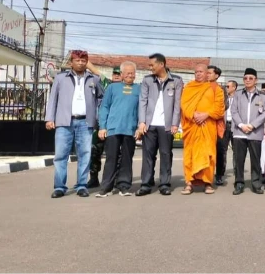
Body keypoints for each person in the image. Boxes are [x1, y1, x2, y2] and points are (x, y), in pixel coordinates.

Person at [45, 50, 104, 198]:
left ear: (87, 63)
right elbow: (53, 99)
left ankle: (82, 185)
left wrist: (97, 117)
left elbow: (101, 99)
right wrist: (49, 118)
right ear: (71, 62)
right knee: (60, 155)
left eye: (83, 61)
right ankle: (59, 187)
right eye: (77, 60)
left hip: (86, 122)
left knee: (85, 155)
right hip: (64, 122)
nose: (80, 63)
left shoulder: (94, 79)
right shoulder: (60, 78)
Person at [136, 53, 183, 196]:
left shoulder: (176, 80)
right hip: (150, 125)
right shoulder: (147, 80)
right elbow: (142, 101)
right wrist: (142, 122)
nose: (150, 67)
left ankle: (164, 183)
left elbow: (177, 104)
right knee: (148, 155)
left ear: (161, 64)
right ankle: (146, 183)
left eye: (152, 65)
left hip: (167, 125)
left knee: (166, 154)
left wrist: (175, 123)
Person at [95, 62, 141, 197]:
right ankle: (106, 188)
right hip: (113, 129)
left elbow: (142, 109)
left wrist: (139, 127)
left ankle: (124, 186)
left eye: (132, 73)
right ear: (121, 74)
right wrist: (102, 127)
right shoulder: (112, 88)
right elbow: (104, 108)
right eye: (127, 73)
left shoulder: (139, 89)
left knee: (127, 158)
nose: (130, 75)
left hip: (130, 129)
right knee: (111, 158)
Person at [180, 64, 226, 195]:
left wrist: (206, 114)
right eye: (196, 72)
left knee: (208, 154)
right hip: (192, 125)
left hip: (208, 126)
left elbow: (219, 109)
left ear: (207, 74)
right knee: (189, 154)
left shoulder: (216, 89)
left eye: (201, 72)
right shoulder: (189, 87)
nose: (198, 74)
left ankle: (207, 183)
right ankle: (189, 183)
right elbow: (184, 105)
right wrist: (193, 114)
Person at [231, 68, 265, 195]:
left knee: (255, 160)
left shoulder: (264, 96)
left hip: (255, 132)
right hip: (239, 132)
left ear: (256, 80)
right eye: (245, 78)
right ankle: (239, 183)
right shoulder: (237, 94)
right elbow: (234, 111)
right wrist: (242, 125)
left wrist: (252, 126)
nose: (247, 80)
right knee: (239, 160)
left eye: (250, 78)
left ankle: (256, 184)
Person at [86, 64, 122, 188]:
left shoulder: (126, 88)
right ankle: (94, 178)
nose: (116, 76)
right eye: (115, 74)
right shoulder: (106, 83)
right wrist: (84, 61)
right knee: (95, 151)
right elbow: (94, 70)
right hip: (101, 124)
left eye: (119, 74)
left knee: (117, 154)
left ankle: (116, 179)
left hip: (116, 126)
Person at [206, 65, 230, 186]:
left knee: (220, 151)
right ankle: (205, 175)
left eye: (210, 73)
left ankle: (219, 175)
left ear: (216, 75)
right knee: (205, 152)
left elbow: (225, 105)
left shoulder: (221, 89)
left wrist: (209, 111)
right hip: (203, 125)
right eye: (206, 72)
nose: (207, 74)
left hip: (218, 124)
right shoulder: (201, 87)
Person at [223, 80, 238, 181]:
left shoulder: (239, 98)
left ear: (234, 88)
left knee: (236, 151)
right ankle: (220, 173)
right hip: (224, 125)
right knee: (222, 150)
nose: (226, 88)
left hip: (235, 126)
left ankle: (237, 171)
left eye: (228, 86)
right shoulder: (223, 98)